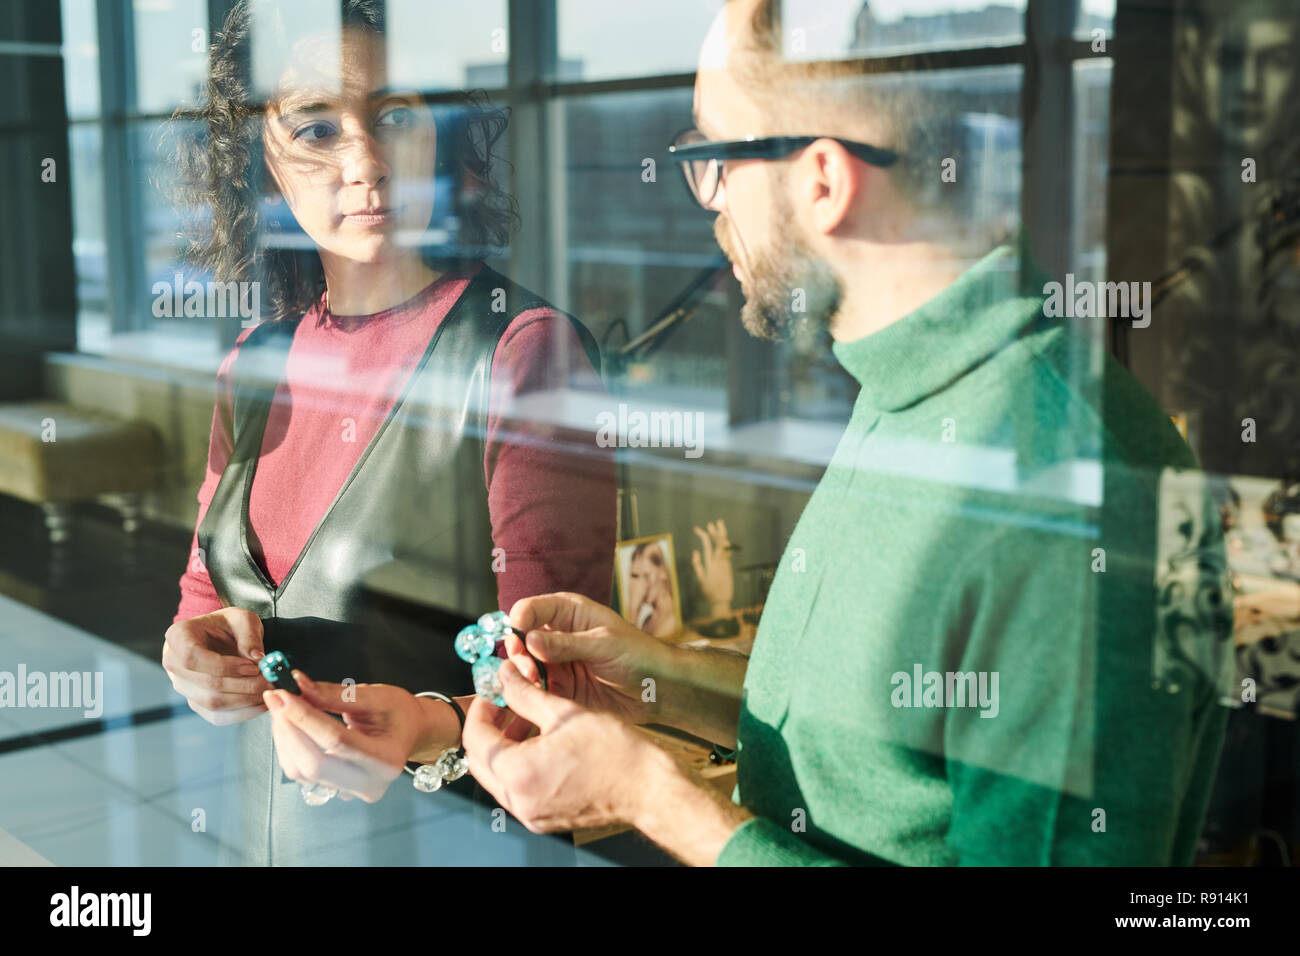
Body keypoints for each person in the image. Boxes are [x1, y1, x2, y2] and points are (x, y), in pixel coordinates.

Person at [267, 0, 1233, 866]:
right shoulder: (909, 392)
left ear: (821, 180)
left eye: (715, 159)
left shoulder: (1071, 482)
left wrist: (652, 797)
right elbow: (869, 749)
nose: (712, 200)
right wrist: (650, 680)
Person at [160, 0, 614, 865]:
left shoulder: (521, 354)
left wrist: (426, 729)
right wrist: (192, 652)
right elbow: (203, 596)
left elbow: (564, 691)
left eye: (395, 117)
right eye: (317, 129)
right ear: (264, 159)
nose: (365, 161)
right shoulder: (253, 362)